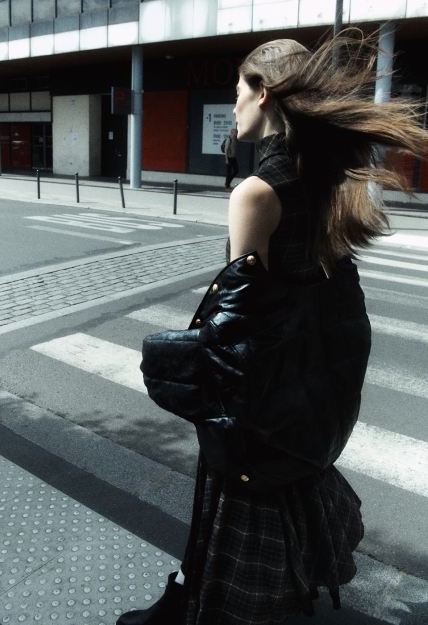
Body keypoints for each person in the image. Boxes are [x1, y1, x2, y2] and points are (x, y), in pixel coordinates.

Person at [119, 31, 428, 625]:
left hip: (261, 394)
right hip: (307, 387)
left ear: (262, 93)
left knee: (234, 502)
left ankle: (205, 603)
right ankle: (221, 592)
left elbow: (242, 320)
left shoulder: (257, 193)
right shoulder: (324, 180)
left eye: (237, 89)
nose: (233, 102)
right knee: (286, 486)